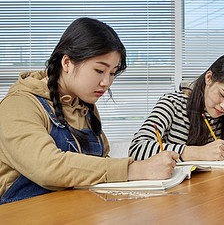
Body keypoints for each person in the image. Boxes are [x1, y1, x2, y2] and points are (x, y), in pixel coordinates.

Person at [0, 17, 179, 204]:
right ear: (67, 63)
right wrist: (134, 169)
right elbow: (47, 167)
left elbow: (100, 162)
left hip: (77, 211)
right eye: (99, 71)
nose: (106, 82)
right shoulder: (18, 104)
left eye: (112, 73)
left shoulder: (85, 105)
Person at [129, 53, 224, 161]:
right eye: (223, 95)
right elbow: (137, 148)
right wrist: (198, 153)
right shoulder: (172, 104)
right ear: (209, 78)